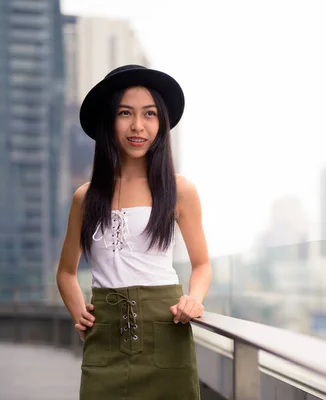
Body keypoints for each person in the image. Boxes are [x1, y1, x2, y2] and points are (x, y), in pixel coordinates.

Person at [56, 65, 212, 400]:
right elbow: (67, 272)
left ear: (162, 123)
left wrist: (194, 300)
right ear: (109, 120)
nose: (138, 126)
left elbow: (202, 265)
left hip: (167, 334)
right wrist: (78, 311)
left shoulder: (179, 190)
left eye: (150, 114)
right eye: (125, 113)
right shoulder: (85, 198)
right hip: (105, 340)